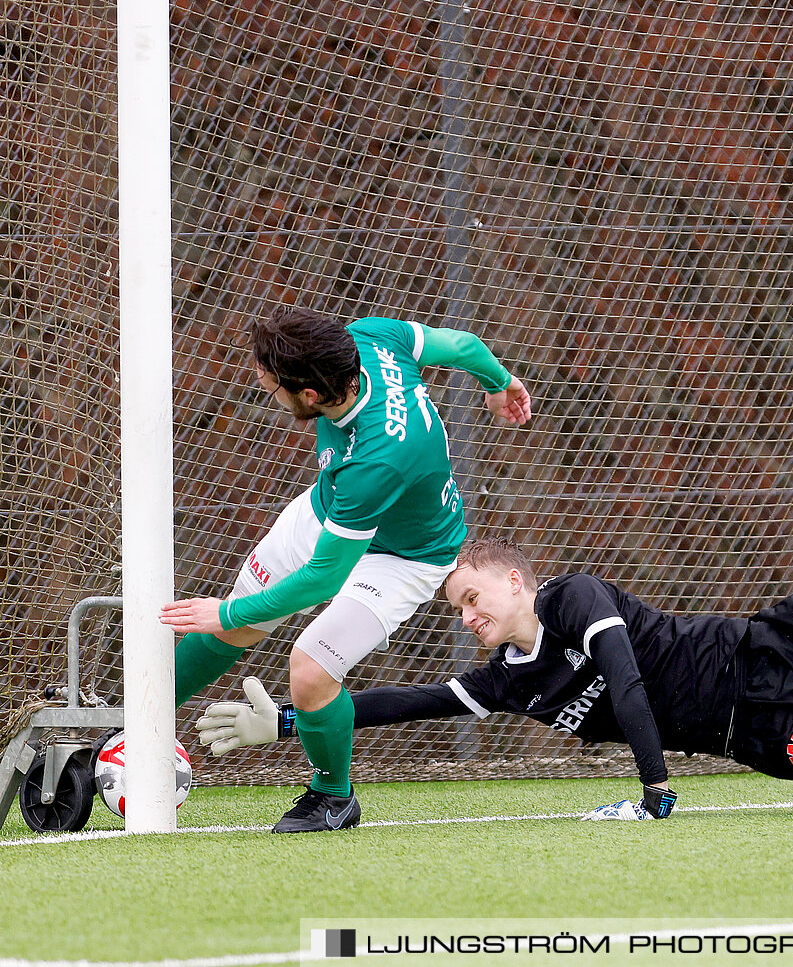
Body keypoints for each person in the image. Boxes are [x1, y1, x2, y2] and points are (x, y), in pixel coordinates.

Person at [193, 524, 793, 818]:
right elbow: (400, 703)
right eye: (461, 614)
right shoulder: (507, 681)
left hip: (774, 643)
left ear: (516, 578)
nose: (472, 617)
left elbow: (625, 682)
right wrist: (290, 722)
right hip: (752, 733)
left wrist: (654, 785)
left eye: (474, 596)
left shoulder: (576, 595)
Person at [158, 306, 533, 832]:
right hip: (330, 511)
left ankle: (333, 796)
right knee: (240, 627)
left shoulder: (376, 460)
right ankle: (134, 721)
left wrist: (223, 609)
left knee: (309, 669)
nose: (268, 392)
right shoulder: (367, 337)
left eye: (273, 388)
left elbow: (323, 579)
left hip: (405, 558)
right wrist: (500, 382)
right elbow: (465, 345)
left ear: (310, 396)